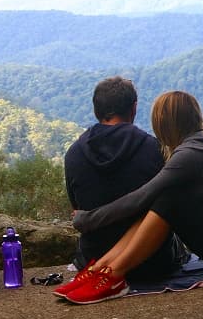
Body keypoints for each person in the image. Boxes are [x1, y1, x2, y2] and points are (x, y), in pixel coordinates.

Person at [55, 90, 203, 305]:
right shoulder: (202, 143)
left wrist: (88, 219)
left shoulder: (190, 155)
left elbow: (140, 197)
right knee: (163, 199)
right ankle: (100, 269)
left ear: (164, 123)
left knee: (169, 199)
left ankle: (113, 276)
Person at [64, 77, 188, 283]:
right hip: (155, 263)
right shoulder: (153, 148)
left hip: (94, 258)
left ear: (97, 111)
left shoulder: (74, 154)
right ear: (134, 108)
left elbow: (76, 205)